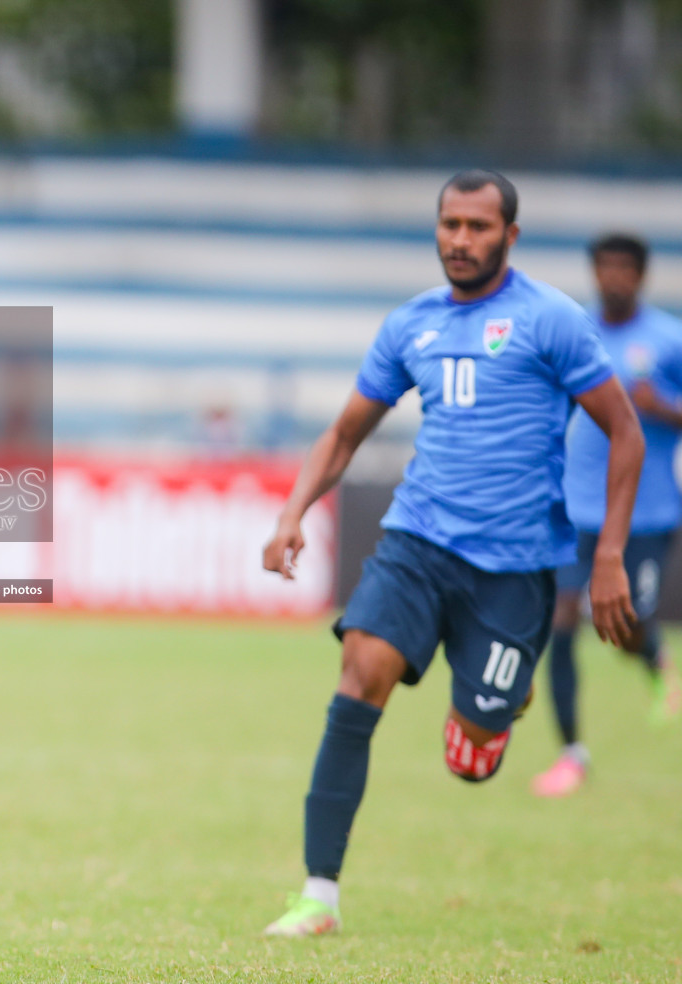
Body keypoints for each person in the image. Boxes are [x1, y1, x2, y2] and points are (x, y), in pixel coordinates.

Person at [259, 170, 643, 937]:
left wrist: (607, 558)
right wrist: (293, 509)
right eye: (450, 225)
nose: (461, 240)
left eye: (477, 226)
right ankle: (318, 896)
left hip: (515, 568)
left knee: (472, 756)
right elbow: (343, 434)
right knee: (359, 670)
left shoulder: (552, 320)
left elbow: (625, 434)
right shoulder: (412, 326)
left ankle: (499, 703)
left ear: (510, 235)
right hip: (418, 541)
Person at [533, 233, 682, 797]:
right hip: (576, 510)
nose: (613, 277)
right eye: (604, 266)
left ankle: (654, 654)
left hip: (647, 513)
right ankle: (572, 753)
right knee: (562, 621)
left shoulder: (670, 339)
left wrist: (662, 407)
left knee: (617, 625)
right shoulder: (575, 333)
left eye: (624, 267)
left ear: (641, 276)